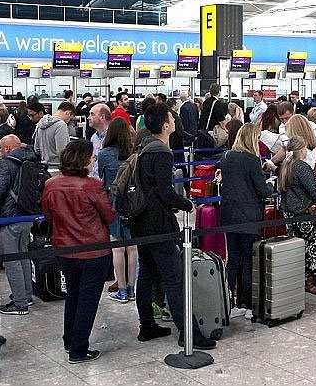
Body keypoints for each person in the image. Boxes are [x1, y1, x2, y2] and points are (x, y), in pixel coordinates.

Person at [128, 102, 216, 350]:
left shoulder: (144, 147)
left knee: (146, 274)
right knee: (174, 278)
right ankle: (188, 332)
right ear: (165, 125)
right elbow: (166, 193)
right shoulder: (162, 152)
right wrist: (187, 204)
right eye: (172, 118)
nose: (176, 121)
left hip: (141, 221)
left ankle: (147, 325)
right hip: (158, 223)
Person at [42, 140, 114, 364]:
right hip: (93, 250)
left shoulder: (51, 184)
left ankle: (70, 341)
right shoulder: (92, 185)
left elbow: (48, 215)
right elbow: (109, 216)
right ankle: (79, 349)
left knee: (73, 295)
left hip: (64, 249)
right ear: (83, 160)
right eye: (91, 157)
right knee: (87, 300)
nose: (93, 160)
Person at [217, 124, 273, 318]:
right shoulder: (252, 160)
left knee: (232, 259)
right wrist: (269, 184)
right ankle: (248, 305)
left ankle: (228, 303)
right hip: (249, 217)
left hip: (229, 215)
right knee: (249, 261)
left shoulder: (225, 157)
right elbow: (262, 191)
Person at [279, 136, 316, 295]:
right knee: (311, 247)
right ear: (301, 149)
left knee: (296, 248)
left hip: (289, 213)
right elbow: (314, 191)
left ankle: (298, 279)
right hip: (304, 214)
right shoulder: (301, 167)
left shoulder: (285, 166)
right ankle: (311, 281)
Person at [0, 135, 36, 314]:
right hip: (27, 215)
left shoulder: (6, 163)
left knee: (11, 261)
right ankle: (26, 295)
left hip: (9, 217)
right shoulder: (31, 159)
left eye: (0, 148)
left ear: (7, 148)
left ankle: (20, 303)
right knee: (23, 257)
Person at [98, 118, 137, 303]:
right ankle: (131, 289)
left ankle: (121, 289)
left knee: (117, 248)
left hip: (112, 202)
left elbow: (101, 177)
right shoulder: (133, 154)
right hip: (132, 203)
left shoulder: (104, 154)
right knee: (133, 248)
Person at [271, 102, 316, 172]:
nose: (285, 122)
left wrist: (315, 170)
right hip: (291, 171)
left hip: (308, 169)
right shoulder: (281, 128)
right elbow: (284, 150)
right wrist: (271, 162)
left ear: (293, 113)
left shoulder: (310, 126)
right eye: (281, 119)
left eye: (287, 118)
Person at [33, 101, 74, 169]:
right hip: (57, 167)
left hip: (43, 167)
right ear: (68, 113)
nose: (69, 121)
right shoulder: (61, 125)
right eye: (70, 118)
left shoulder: (40, 123)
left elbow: (37, 149)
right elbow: (62, 151)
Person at [88, 103, 111, 178]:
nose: (88, 118)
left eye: (92, 114)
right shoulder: (94, 137)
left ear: (102, 117)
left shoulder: (112, 137)